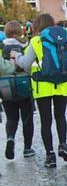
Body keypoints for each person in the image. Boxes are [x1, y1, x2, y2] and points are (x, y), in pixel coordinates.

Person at [13, 13, 67, 168]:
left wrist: (16, 56)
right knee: (60, 116)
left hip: (43, 86)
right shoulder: (63, 39)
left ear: (37, 26)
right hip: (62, 84)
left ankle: (50, 155)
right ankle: (63, 145)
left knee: (46, 121)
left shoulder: (36, 41)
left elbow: (26, 64)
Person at [1, 20, 35, 160]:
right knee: (27, 118)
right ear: (20, 32)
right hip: (24, 83)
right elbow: (30, 65)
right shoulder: (26, 45)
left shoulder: (2, 46)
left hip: (5, 86)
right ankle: (27, 148)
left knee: (11, 117)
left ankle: (10, 138)